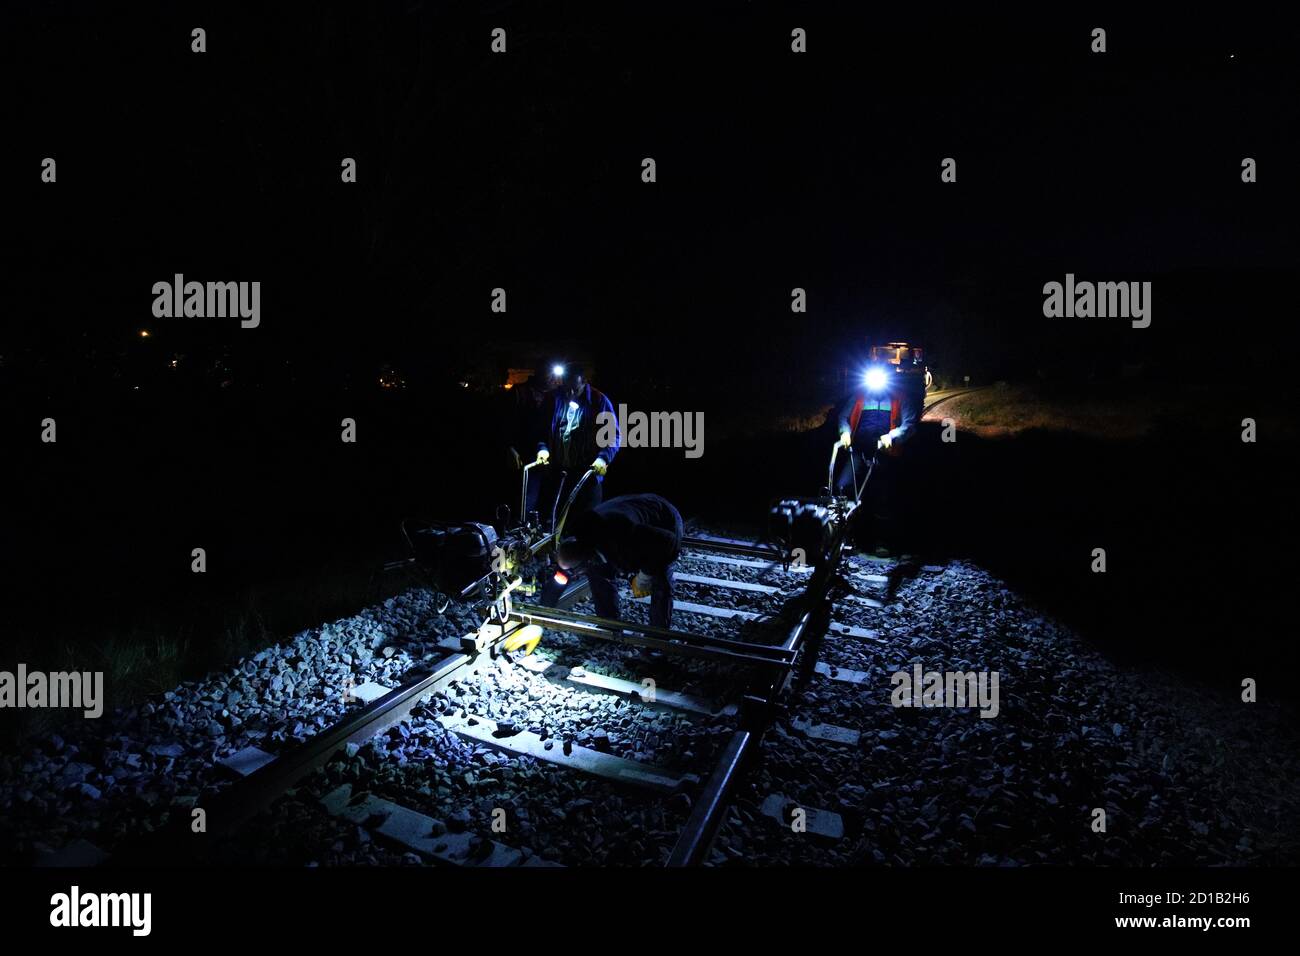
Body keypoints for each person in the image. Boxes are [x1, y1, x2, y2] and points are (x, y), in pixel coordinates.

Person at [833, 343, 927, 551]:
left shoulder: (901, 398)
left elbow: (910, 424)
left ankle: (882, 541)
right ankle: (846, 537)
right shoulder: (859, 396)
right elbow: (843, 417)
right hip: (857, 450)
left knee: (883, 494)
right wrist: (845, 432)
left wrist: (892, 436)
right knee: (844, 487)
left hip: (885, 452)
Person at [555, 493, 684, 628]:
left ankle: (659, 635)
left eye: (575, 570)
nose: (574, 574)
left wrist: (645, 575)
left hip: (664, 518)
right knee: (596, 572)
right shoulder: (584, 536)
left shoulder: (624, 533)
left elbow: (669, 543)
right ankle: (609, 624)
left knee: (660, 576)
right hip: (628, 510)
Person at [528, 363, 620, 527]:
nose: (570, 395)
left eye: (574, 390)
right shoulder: (553, 398)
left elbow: (613, 435)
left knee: (585, 525)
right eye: (566, 390)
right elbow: (540, 430)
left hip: (586, 475)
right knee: (552, 522)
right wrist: (542, 448)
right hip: (557, 472)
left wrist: (603, 458)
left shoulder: (599, 401)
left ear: (584, 381)